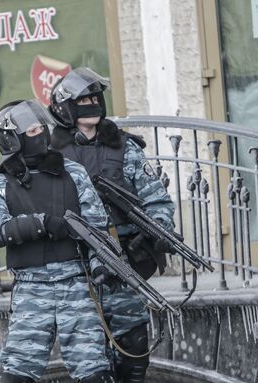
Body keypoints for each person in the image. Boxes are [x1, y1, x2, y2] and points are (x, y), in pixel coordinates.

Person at [49, 67, 176, 383]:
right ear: (67, 107)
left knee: (134, 356)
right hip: (75, 273)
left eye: (96, 97)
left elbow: (156, 199)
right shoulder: (50, 154)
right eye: (84, 99)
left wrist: (157, 231)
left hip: (122, 267)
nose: (92, 103)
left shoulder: (124, 147)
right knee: (91, 367)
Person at [0, 99, 116, 383]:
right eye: (31, 131)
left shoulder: (73, 173)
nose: (40, 134)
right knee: (18, 374)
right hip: (31, 288)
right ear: (12, 139)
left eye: (42, 127)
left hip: (76, 285)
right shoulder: (0, 185)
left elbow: (96, 230)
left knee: (94, 373)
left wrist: (102, 264)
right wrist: (41, 224)